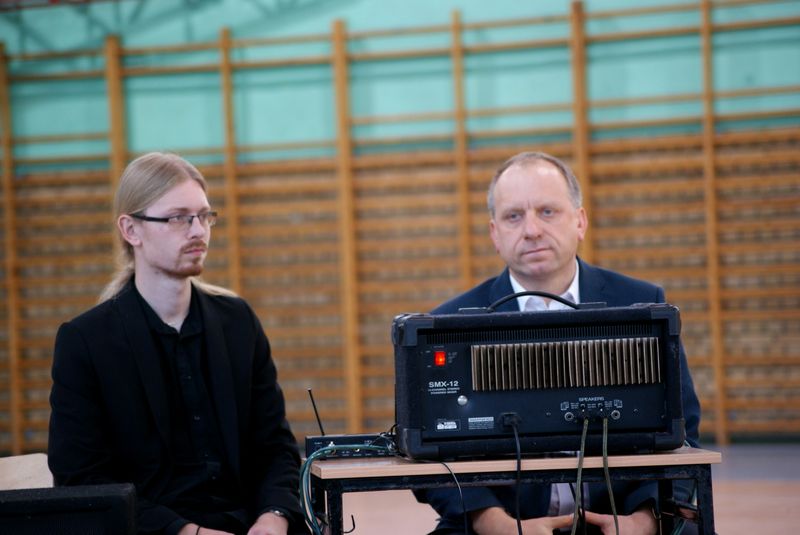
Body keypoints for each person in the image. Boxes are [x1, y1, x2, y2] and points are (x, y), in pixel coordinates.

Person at [416, 151, 701, 535]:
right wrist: (495, 524)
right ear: (495, 234)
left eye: (547, 211)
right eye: (513, 216)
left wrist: (646, 521)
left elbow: (685, 432)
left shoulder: (642, 304)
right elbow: (428, 453)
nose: (532, 229)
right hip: (502, 524)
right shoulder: (447, 325)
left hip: (625, 517)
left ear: (580, 221)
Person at [48, 152, 309, 535]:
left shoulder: (238, 323)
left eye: (204, 216)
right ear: (131, 230)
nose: (198, 231)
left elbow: (274, 446)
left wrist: (274, 516)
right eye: (178, 218)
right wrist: (186, 532)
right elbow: (82, 479)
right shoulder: (85, 342)